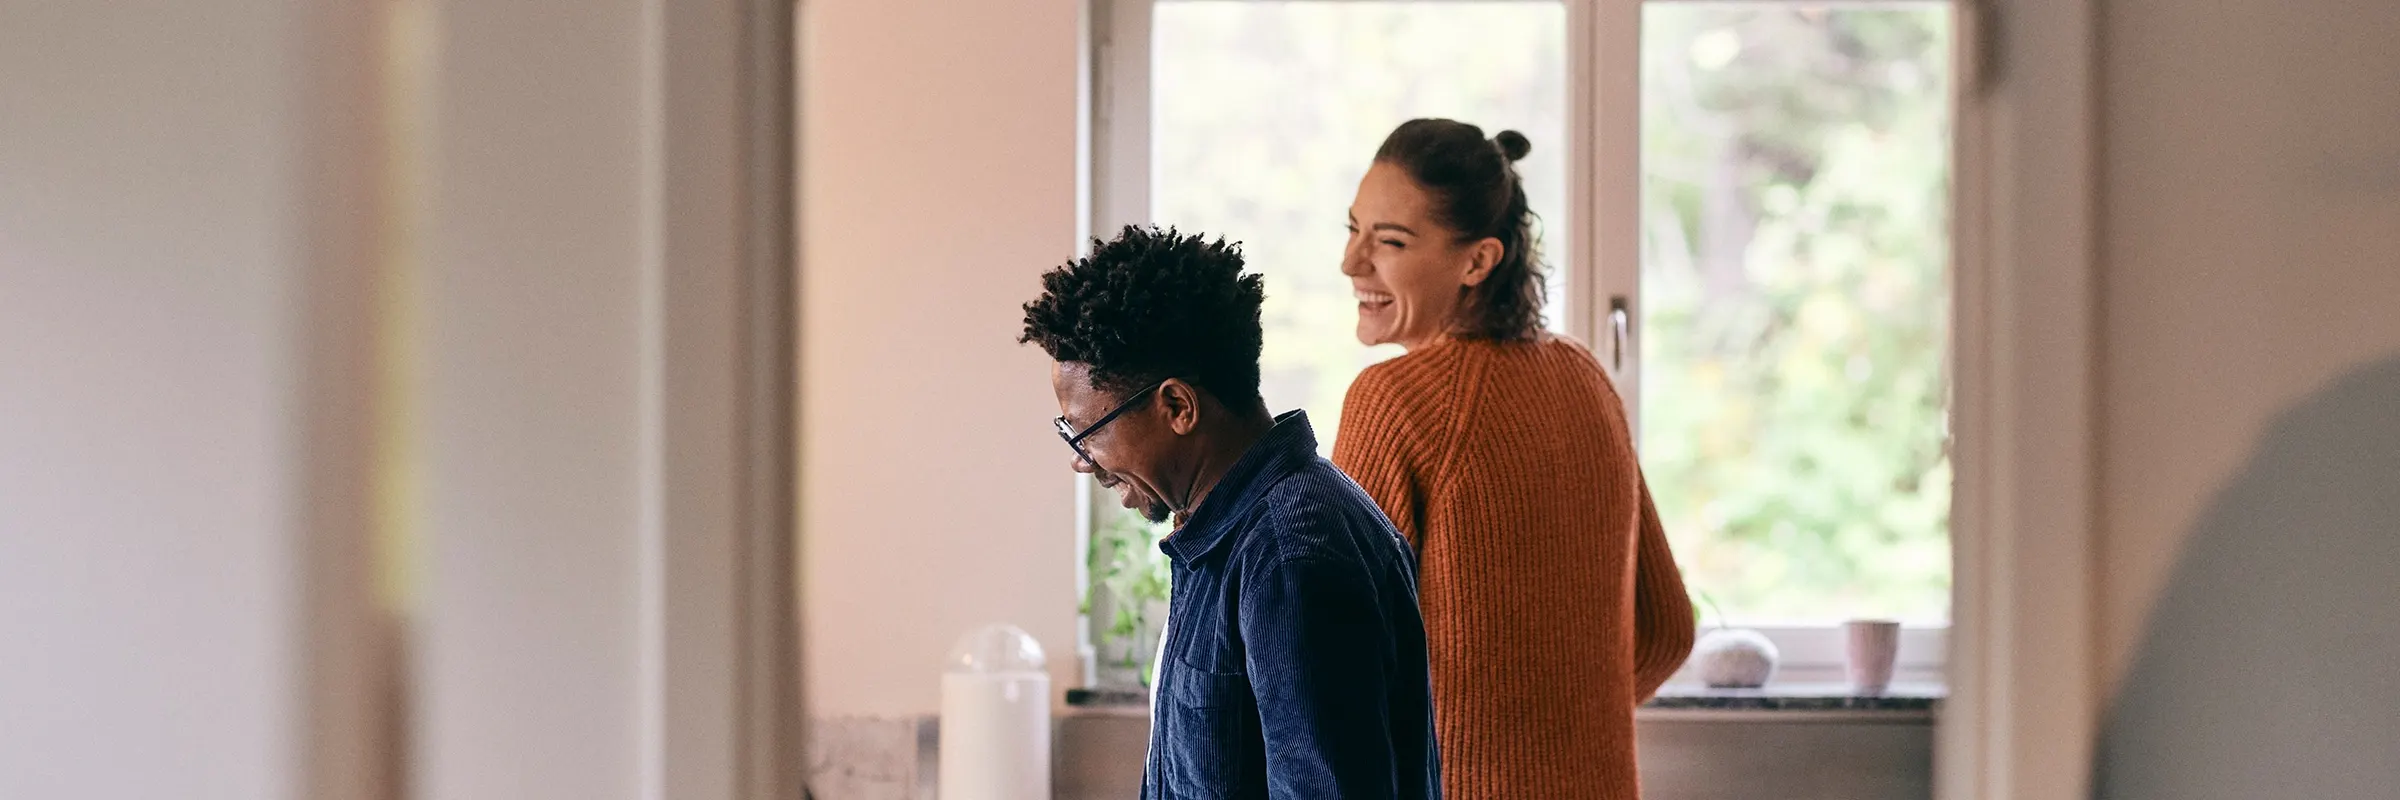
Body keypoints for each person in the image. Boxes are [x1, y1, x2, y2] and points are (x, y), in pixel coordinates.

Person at [1331, 118, 1697, 799]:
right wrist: (1558, 738)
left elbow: (1336, 668)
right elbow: (1667, 630)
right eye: (1353, 230)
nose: (1353, 263)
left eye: (1390, 242)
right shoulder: (1586, 377)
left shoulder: (1393, 403)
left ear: (1478, 261)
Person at [1018, 225, 1440, 799]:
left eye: (1087, 432)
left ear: (1177, 406)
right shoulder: (1223, 536)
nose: (1083, 462)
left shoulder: (1290, 556)